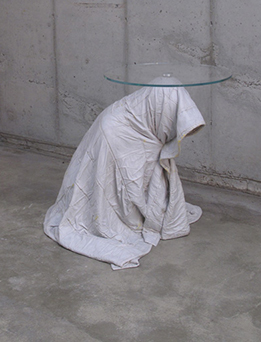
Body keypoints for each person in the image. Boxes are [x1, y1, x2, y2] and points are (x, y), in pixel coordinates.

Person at [44, 81, 205, 270]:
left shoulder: (147, 119)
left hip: (131, 132)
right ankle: (126, 216)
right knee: (115, 192)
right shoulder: (115, 128)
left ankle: (137, 211)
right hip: (114, 135)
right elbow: (119, 178)